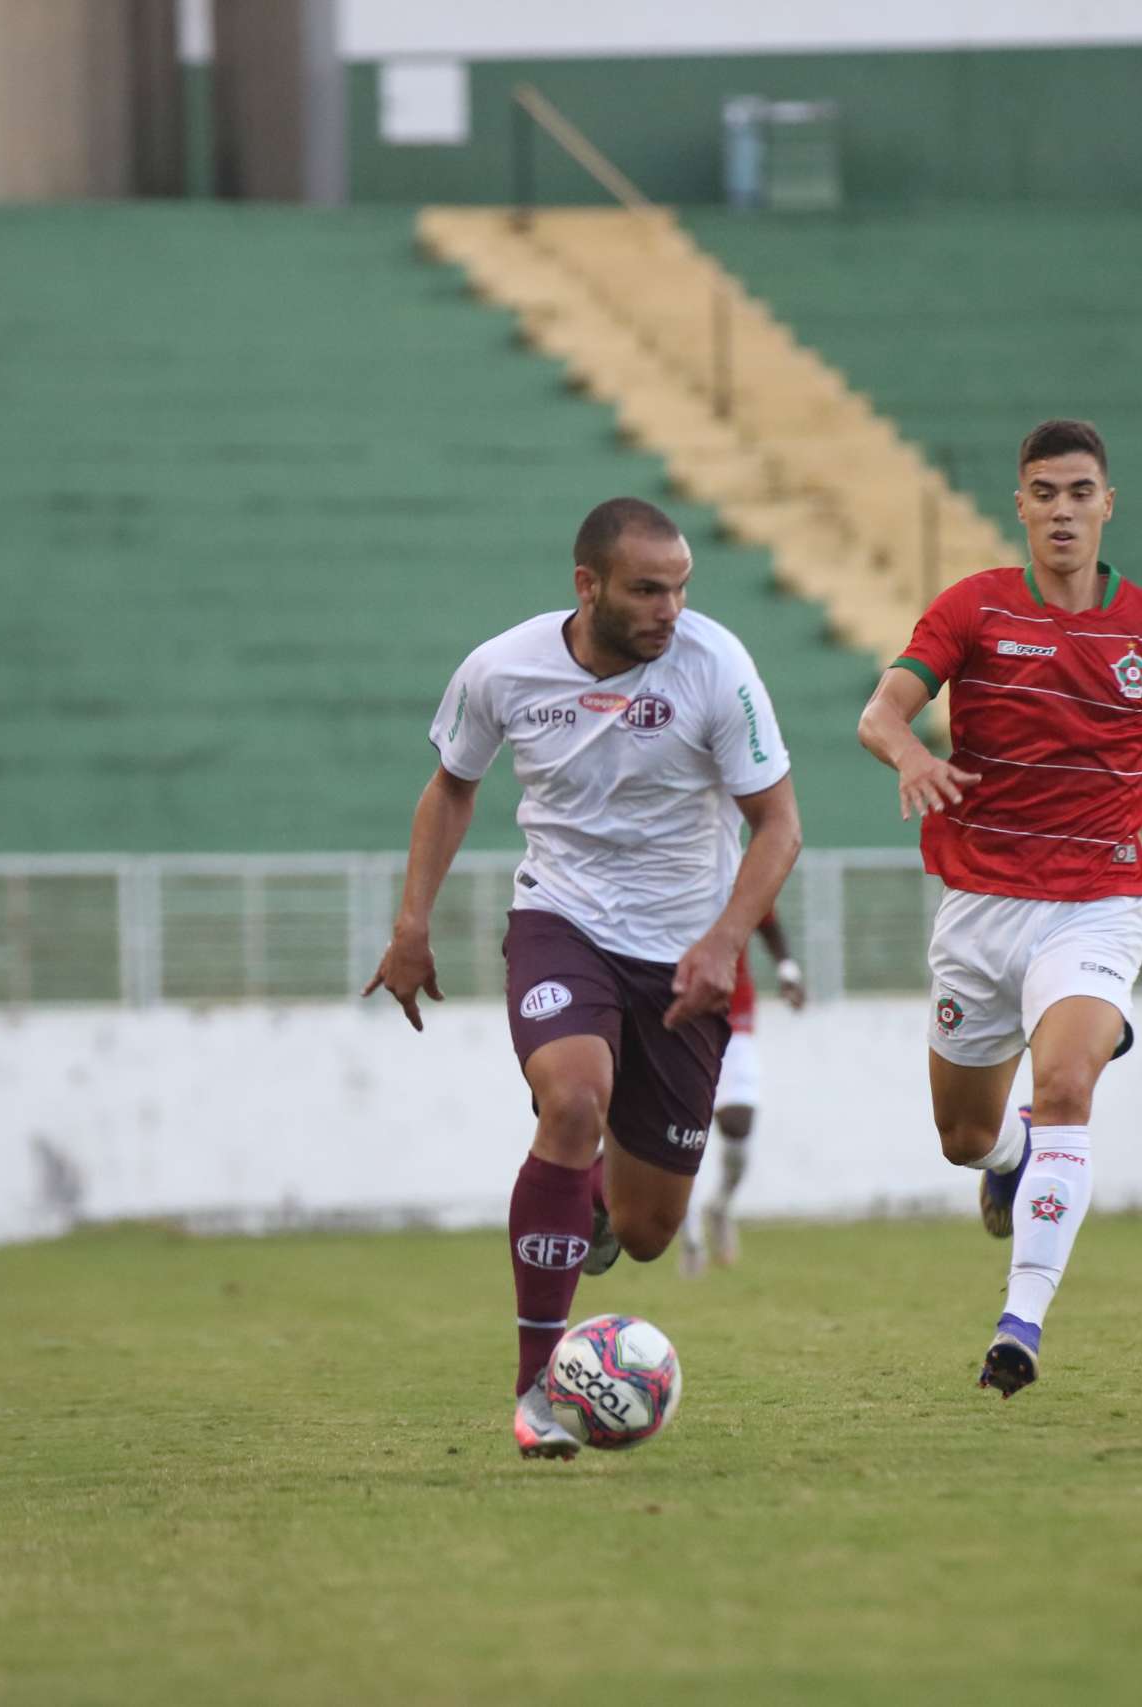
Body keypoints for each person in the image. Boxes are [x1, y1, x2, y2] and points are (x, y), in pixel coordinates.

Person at [856, 418, 1142, 1399]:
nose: (1062, 509)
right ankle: (1005, 1162)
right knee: (963, 1137)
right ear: (1019, 505)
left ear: (1107, 503)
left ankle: (1021, 1324)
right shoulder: (970, 611)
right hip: (978, 909)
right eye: (1043, 492)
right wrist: (914, 754)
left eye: (1079, 491)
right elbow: (879, 711)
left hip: (1095, 904)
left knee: (1062, 1090)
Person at [362, 497, 802, 1461]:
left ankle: (596, 1202)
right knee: (570, 1100)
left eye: (682, 587)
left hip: (686, 954)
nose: (670, 609)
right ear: (587, 585)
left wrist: (728, 939)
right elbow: (452, 786)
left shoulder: (717, 667)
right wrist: (411, 921)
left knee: (647, 1232)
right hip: (562, 922)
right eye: (648, 589)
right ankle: (534, 1388)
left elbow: (779, 824)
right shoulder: (502, 669)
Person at [678, 910, 804, 1277]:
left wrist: (787, 971)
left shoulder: (734, 869)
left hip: (734, 1016)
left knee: (738, 1123)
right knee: (685, 1130)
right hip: (677, 1015)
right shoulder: (659, 868)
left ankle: (719, 1206)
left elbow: (765, 920)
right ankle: (691, 1240)